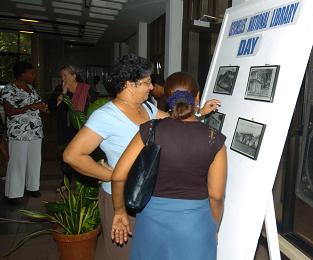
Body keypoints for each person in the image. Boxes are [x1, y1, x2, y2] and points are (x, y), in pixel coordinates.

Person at [63, 54, 221, 259]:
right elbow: (72, 155)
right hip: (119, 197)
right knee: (121, 254)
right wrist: (111, 175)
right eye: (146, 83)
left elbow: (173, 120)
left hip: (144, 196)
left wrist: (198, 113)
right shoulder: (105, 116)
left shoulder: (146, 107)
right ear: (129, 84)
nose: (151, 87)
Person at [111, 72, 227, 260]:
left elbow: (117, 176)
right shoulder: (213, 138)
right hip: (195, 225)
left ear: (166, 97)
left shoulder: (150, 129)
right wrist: (212, 227)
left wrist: (119, 211)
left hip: (151, 221)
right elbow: (216, 196)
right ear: (197, 97)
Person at [0, 61, 48, 205]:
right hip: (19, 133)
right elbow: (9, 112)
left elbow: (39, 105)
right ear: (22, 74)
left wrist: (44, 108)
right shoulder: (9, 89)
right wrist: (33, 106)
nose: (34, 75)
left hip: (35, 132)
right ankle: (12, 194)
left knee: (35, 161)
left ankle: (32, 187)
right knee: (17, 163)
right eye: (31, 73)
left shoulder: (31, 89)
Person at [48, 65, 94, 186]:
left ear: (74, 76)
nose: (63, 78)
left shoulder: (86, 89)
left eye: (65, 75)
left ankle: (84, 181)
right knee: (66, 155)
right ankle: (66, 181)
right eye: (61, 75)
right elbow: (53, 107)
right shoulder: (59, 89)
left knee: (83, 154)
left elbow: (94, 107)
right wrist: (63, 93)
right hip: (65, 128)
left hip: (82, 127)